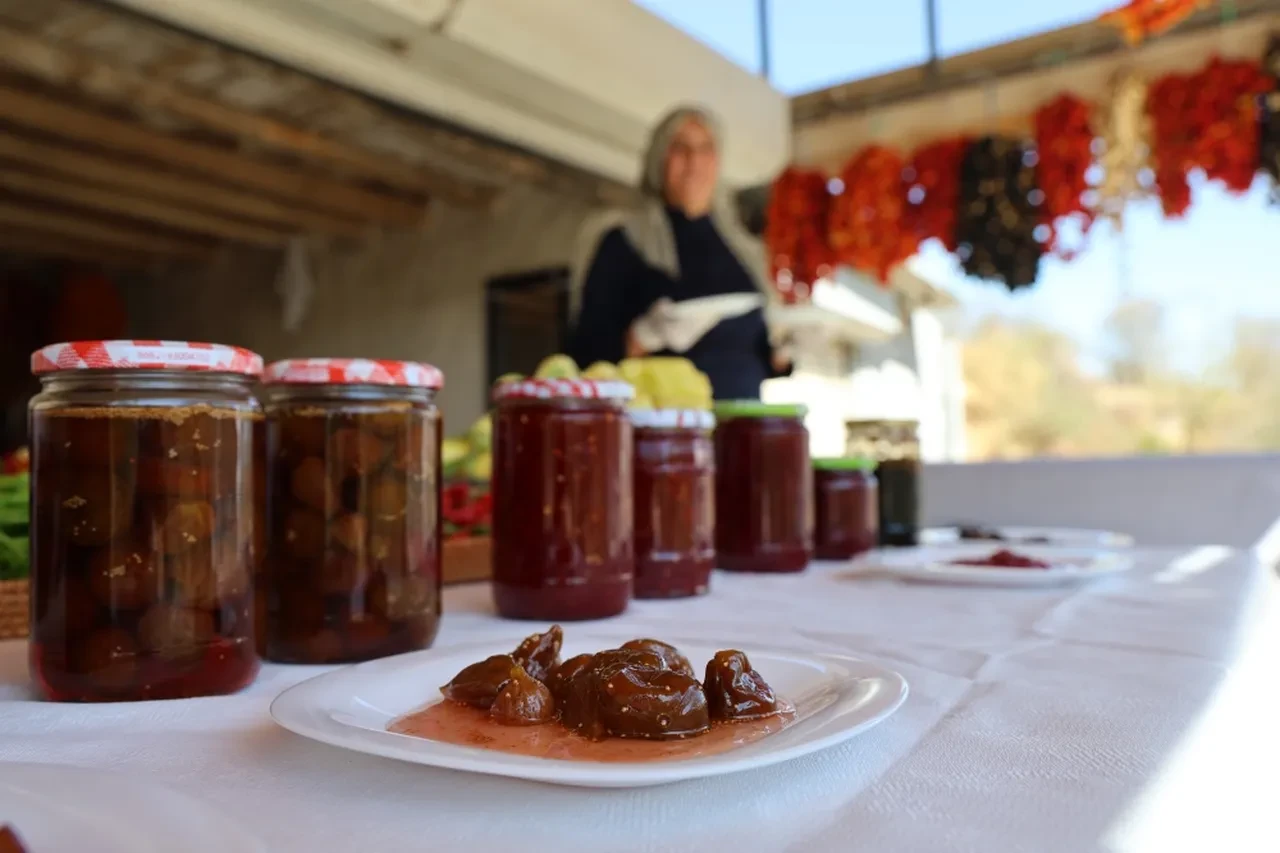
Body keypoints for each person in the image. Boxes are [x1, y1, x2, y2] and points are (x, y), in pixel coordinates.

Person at [567, 106, 790, 400]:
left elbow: (752, 354)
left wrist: (785, 353)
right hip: (664, 433)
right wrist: (639, 338)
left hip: (740, 425)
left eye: (705, 148)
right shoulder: (624, 242)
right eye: (680, 148)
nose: (694, 160)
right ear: (658, 160)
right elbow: (585, 356)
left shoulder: (742, 248)